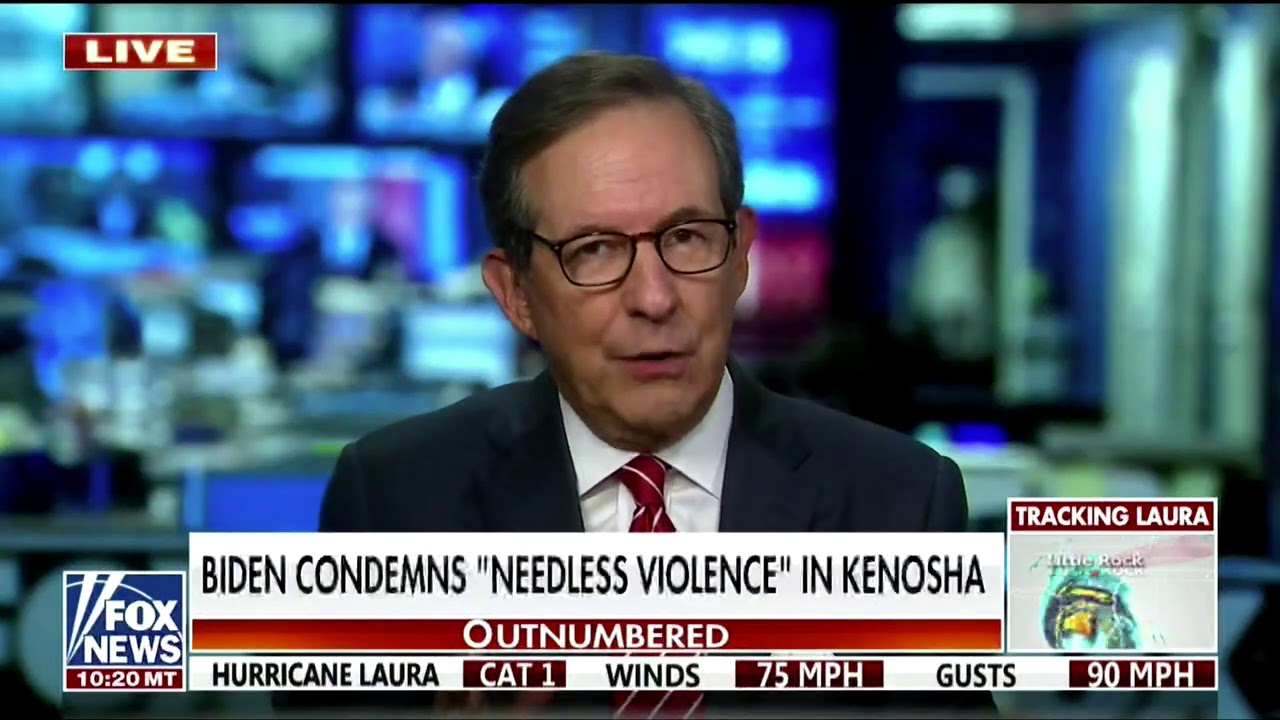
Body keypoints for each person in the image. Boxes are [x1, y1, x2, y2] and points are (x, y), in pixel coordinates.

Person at [274, 52, 998, 719]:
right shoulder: (395, 502)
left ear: (740, 255)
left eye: (687, 237)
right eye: (593, 250)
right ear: (516, 292)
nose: (654, 298)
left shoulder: (899, 504)